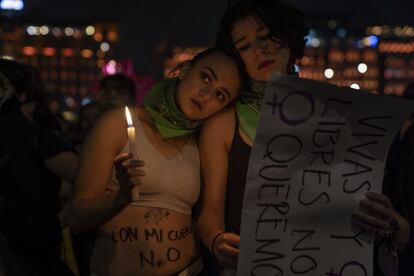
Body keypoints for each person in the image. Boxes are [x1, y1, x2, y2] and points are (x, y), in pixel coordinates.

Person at [196, 0, 411, 275]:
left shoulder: (336, 112)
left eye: (266, 37)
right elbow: (209, 212)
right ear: (234, 58)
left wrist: (381, 215)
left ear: (288, 36)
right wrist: (217, 242)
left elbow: (356, 197)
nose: (260, 49)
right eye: (244, 46)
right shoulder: (224, 123)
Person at [68, 47, 243, 276]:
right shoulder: (119, 123)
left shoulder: (203, 143)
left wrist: (218, 242)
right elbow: (77, 218)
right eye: (206, 77)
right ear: (185, 70)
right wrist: (119, 199)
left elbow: (209, 215)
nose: (207, 94)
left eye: (220, 95)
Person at [0, 59, 78, 275]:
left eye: (1, 87)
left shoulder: (39, 138)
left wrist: (61, 220)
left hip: (32, 256)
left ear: (22, 95)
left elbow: (87, 179)